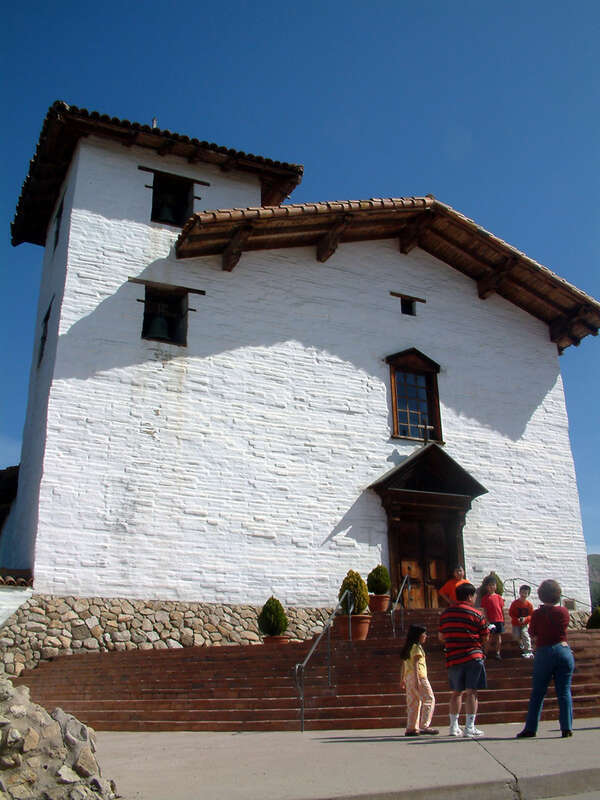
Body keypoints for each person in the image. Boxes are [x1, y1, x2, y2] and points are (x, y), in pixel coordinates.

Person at [516, 579, 575, 739]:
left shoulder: (537, 614)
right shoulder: (563, 611)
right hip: (563, 649)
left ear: (541, 595)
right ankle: (566, 727)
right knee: (564, 691)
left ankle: (531, 727)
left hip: (544, 651)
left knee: (538, 692)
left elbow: (533, 632)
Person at [439, 582, 489, 737]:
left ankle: (453, 726)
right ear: (469, 596)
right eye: (474, 595)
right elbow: (485, 635)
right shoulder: (476, 614)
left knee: (456, 692)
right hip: (473, 656)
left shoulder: (446, 614)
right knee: (472, 692)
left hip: (453, 657)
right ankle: (469, 726)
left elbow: (441, 636)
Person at [399, 624, 439, 736]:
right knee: (429, 699)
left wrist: (402, 679)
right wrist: (417, 680)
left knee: (413, 702)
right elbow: (416, 665)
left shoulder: (408, 647)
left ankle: (411, 727)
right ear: (418, 636)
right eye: (424, 634)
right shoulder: (416, 648)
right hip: (419, 676)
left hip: (408, 677)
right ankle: (424, 725)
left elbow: (404, 664)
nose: (426, 636)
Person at [480, 575, 505, 660]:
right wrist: (486, 620)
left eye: (493, 585)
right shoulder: (485, 598)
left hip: (499, 620)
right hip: (490, 621)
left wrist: (503, 619)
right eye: (489, 585)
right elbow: (485, 610)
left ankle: (498, 653)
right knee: (489, 637)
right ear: (486, 587)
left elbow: (501, 609)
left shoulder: (499, 597)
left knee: (498, 637)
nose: (491, 587)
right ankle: (485, 653)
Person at [509, 585, 534, 658]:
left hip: (525, 624)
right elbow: (511, 613)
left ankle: (528, 651)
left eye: (526, 593)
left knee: (525, 634)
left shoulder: (529, 605)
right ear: (519, 593)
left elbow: (531, 615)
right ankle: (521, 645)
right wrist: (516, 619)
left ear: (528, 594)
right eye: (522, 592)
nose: (524, 594)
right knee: (516, 636)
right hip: (516, 623)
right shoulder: (515, 603)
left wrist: (526, 619)